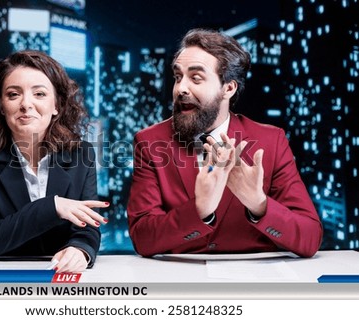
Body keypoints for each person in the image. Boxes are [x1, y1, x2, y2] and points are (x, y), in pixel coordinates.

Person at [127, 29, 323, 258]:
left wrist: (258, 204)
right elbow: (142, 239)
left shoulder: (272, 141)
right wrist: (200, 209)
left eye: (196, 78)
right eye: (178, 77)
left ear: (228, 88)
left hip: (254, 283)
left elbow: (310, 239)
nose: (181, 88)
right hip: (179, 279)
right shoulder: (149, 142)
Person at [0, 50, 109, 272]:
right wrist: (51, 207)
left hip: (61, 283)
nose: (26, 104)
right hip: (4, 280)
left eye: (39, 94)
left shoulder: (82, 153)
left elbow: (87, 226)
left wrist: (80, 249)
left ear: (57, 106)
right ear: (1, 106)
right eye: (13, 95)